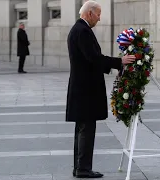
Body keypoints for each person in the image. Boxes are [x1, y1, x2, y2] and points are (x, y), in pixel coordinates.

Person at [66, 1, 136, 178]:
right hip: (85, 90)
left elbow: (92, 58)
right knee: (86, 129)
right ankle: (83, 169)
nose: (99, 18)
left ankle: (79, 167)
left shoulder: (79, 29)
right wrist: (119, 62)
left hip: (82, 88)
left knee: (82, 129)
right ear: (89, 13)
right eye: (98, 14)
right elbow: (94, 58)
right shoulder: (82, 31)